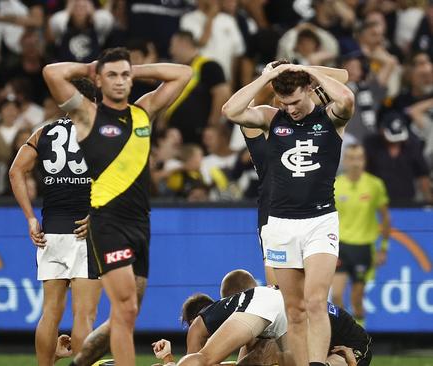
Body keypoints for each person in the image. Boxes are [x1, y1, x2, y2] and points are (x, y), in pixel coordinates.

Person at [43, 47, 192, 365]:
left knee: (129, 312)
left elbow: (184, 73)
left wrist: (131, 69)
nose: (121, 81)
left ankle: (81, 361)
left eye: (125, 76)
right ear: (99, 80)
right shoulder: (87, 115)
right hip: (108, 223)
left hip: (141, 223)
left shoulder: (144, 112)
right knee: (123, 309)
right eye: (113, 76)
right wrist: (90, 68)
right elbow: (52, 73)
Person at [221, 61, 355, 366]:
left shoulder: (330, 117)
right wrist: (266, 77)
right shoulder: (272, 119)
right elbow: (230, 110)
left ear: (309, 89)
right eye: (285, 102)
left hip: (320, 221)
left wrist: (308, 70)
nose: (291, 108)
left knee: (316, 301)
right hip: (280, 224)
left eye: (295, 101)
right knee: (293, 310)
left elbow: (346, 96)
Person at [9, 78, 102, 366]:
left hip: (50, 231)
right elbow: (119, 179)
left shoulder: (43, 132)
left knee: (50, 312)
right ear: (89, 102)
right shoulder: (98, 132)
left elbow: (15, 172)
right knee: (84, 315)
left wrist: (29, 218)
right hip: (85, 231)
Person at [154, 269, 372, 366]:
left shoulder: (249, 307)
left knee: (205, 358)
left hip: (351, 345)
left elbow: (196, 330)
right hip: (302, 325)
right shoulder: (265, 301)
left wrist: (171, 361)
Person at [332, 144, 390, 325]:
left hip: (364, 248)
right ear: (345, 161)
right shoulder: (336, 184)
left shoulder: (374, 185)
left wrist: (383, 248)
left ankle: (360, 341)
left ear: (364, 161)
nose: (355, 163)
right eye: (351, 158)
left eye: (359, 158)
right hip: (341, 246)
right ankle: (346, 336)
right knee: (337, 296)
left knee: (357, 299)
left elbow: (385, 218)